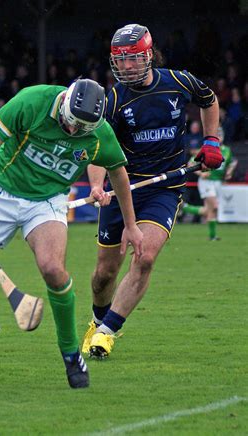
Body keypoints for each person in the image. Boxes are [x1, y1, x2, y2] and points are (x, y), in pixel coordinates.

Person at [0, 78, 143, 389]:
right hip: (2, 193)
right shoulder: (32, 101)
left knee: (53, 269)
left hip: (48, 202)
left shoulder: (98, 131)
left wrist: (130, 225)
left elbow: (117, 171)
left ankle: (72, 354)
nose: (74, 132)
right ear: (63, 104)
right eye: (71, 124)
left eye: (82, 129)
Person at [81, 24, 223, 360]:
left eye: (132, 58)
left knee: (144, 257)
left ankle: (107, 332)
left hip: (164, 187)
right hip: (122, 189)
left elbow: (209, 100)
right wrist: (97, 185)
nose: (127, 66)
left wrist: (211, 140)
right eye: (120, 60)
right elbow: (99, 147)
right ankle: (98, 319)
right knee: (104, 274)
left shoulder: (178, 82)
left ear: (148, 54)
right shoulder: (113, 100)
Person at [182, 127, 238, 240]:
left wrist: (229, 172)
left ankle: (184, 208)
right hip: (206, 182)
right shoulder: (208, 149)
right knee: (215, 206)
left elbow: (233, 162)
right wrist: (200, 173)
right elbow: (190, 163)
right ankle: (212, 236)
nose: (219, 136)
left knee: (208, 210)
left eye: (221, 134)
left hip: (218, 182)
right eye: (217, 134)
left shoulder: (227, 150)